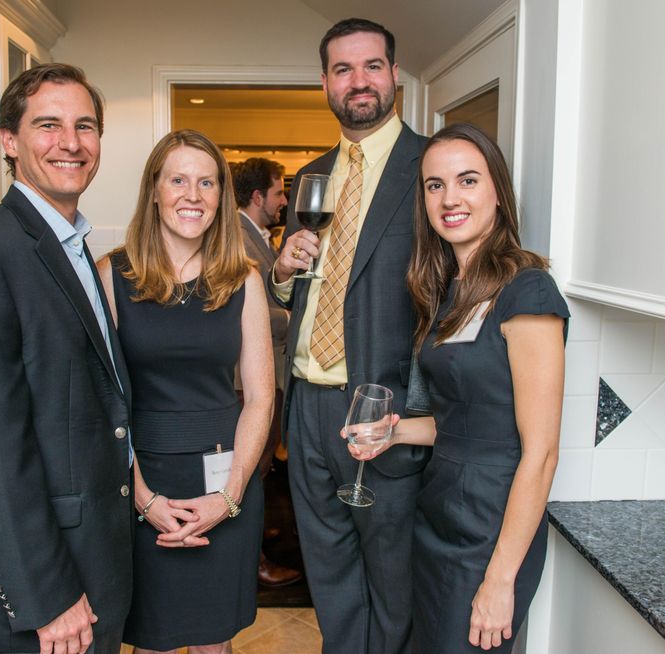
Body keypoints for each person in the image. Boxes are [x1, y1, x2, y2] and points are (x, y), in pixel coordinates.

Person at [0, 64, 133, 654]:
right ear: (10, 142)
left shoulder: (68, 246)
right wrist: (48, 597)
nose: (71, 142)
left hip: (88, 567)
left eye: (85, 126)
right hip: (40, 599)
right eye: (48, 125)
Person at [350, 122, 567, 653]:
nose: (450, 198)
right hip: (439, 508)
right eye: (435, 185)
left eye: (468, 181)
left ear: (497, 190)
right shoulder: (450, 292)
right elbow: (462, 421)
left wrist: (500, 579)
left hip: (492, 526)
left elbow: (539, 453)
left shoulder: (528, 289)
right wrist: (393, 433)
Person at [269, 17, 430, 654]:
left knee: (392, 580)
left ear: (394, 74)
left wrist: (418, 408)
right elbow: (299, 290)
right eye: (342, 69)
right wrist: (280, 272)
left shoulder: (430, 169)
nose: (357, 81)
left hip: (381, 406)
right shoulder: (313, 174)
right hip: (307, 403)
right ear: (325, 83)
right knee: (329, 573)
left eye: (370, 66)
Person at [95, 129, 273, 653]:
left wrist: (231, 495)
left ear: (222, 197)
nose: (193, 195)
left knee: (213, 642)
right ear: (154, 190)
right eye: (178, 180)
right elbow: (102, 402)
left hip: (225, 475)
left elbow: (261, 397)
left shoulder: (243, 279)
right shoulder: (111, 275)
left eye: (207, 182)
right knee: (150, 638)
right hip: (141, 479)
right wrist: (144, 498)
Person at [231, 157, 302, 589]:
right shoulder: (237, 237)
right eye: (278, 193)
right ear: (258, 197)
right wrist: (300, 319)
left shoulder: (260, 236)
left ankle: (252, 538)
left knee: (259, 471)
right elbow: (242, 307)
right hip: (246, 383)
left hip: (267, 374)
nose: (284, 201)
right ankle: (251, 559)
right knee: (251, 469)